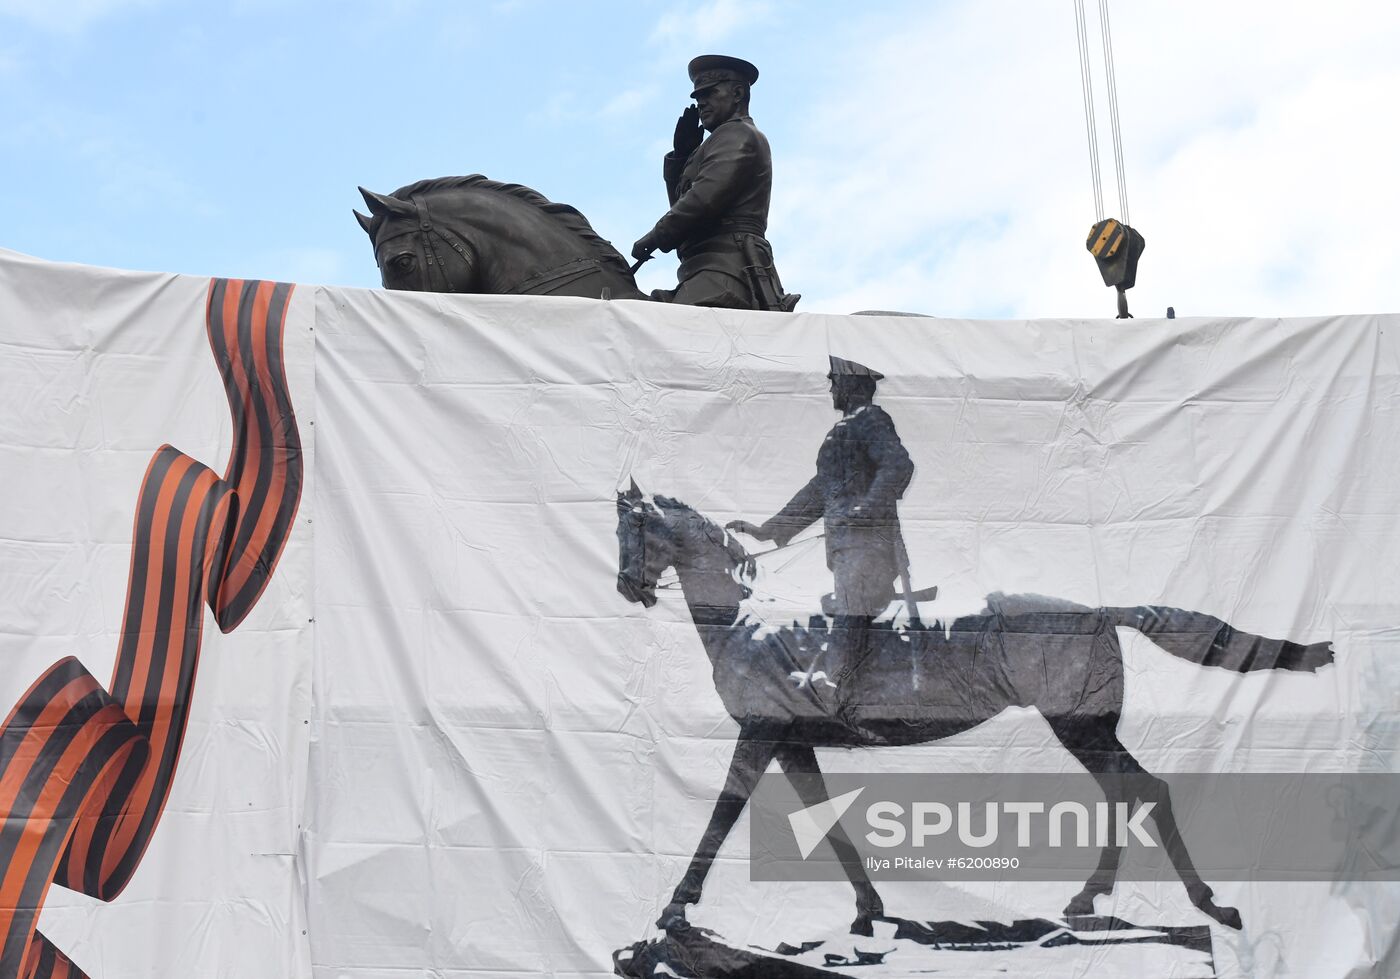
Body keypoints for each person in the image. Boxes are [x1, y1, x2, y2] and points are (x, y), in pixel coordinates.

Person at [727, 357, 914, 692]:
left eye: (834, 380)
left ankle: (835, 686)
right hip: (847, 548)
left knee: (851, 607)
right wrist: (770, 529)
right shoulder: (842, 431)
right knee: (846, 607)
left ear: (850, 384)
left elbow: (898, 465)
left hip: (869, 548)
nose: (831, 388)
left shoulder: (871, 419)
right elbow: (820, 490)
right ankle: (842, 680)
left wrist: (865, 508)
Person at [631, 55, 797, 311]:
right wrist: (681, 157)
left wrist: (655, 236)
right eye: (697, 98)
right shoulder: (713, 143)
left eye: (708, 94)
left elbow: (703, 200)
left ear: (738, 93)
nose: (701, 103)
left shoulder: (738, 133)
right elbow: (685, 210)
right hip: (699, 270)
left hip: (727, 269)